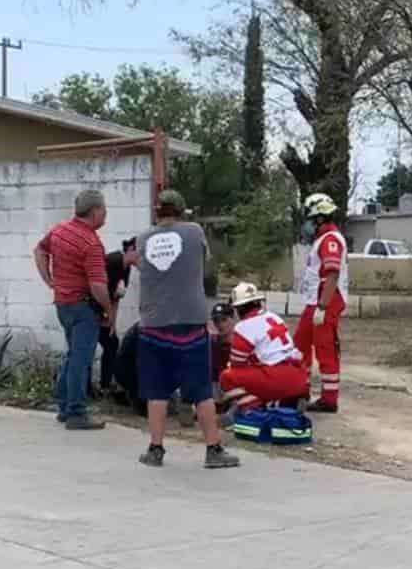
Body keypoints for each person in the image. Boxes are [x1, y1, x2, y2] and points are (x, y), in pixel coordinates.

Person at [135, 189, 239, 469]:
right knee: (202, 391)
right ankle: (213, 450)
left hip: (153, 325)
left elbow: (142, 267)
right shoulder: (194, 232)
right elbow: (205, 267)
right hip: (190, 325)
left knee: (157, 392)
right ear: (180, 210)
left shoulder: (143, 238)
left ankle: (155, 450)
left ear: (157, 211)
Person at [34, 189, 112, 430]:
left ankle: (65, 405)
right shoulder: (91, 243)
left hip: (63, 304)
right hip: (83, 307)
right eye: (104, 210)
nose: (106, 214)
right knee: (81, 358)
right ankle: (76, 412)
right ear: (95, 211)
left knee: (72, 354)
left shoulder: (60, 230)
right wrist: (108, 308)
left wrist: (49, 280)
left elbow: (39, 250)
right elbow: (98, 285)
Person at [294, 192, 350, 413]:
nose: (307, 225)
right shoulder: (323, 240)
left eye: (309, 219)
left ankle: (329, 399)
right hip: (316, 302)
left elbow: (332, 274)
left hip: (325, 301)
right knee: (299, 345)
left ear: (319, 218)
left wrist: (322, 308)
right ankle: (300, 389)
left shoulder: (331, 240)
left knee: (325, 349)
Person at [219, 282, 310, 415]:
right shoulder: (274, 317)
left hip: (277, 377)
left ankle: (252, 407)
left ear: (238, 308)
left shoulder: (243, 327)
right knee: (258, 372)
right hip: (299, 375)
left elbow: (237, 364)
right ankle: (288, 401)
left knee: (227, 377)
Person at [95, 237, 138, 395]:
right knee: (88, 347)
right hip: (92, 309)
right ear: (131, 249)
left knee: (112, 343)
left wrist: (112, 322)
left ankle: (105, 385)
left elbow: (117, 296)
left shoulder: (126, 269)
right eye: (141, 253)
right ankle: (84, 389)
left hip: (104, 312)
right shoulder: (113, 261)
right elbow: (99, 289)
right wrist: (104, 316)